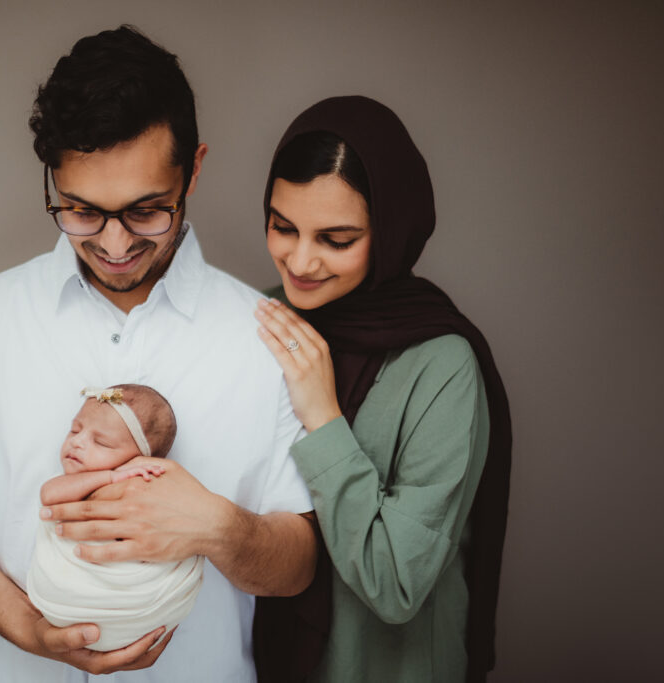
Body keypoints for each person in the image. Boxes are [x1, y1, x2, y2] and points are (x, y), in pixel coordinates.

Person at [0, 25, 316, 682]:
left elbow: (298, 565)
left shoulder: (266, 338)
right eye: (80, 210)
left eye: (145, 211)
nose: (113, 242)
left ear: (194, 168)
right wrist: (20, 621)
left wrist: (218, 525)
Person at [251, 96, 512, 682]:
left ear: (390, 230)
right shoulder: (267, 320)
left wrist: (323, 418)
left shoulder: (442, 364)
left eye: (336, 239)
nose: (300, 260)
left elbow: (395, 583)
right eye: (282, 226)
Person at [26, 385, 204, 653]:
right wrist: (109, 477)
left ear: (139, 460)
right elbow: (49, 494)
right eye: (75, 430)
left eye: (101, 442)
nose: (77, 441)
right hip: (72, 594)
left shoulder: (148, 495)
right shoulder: (74, 485)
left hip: (135, 605)